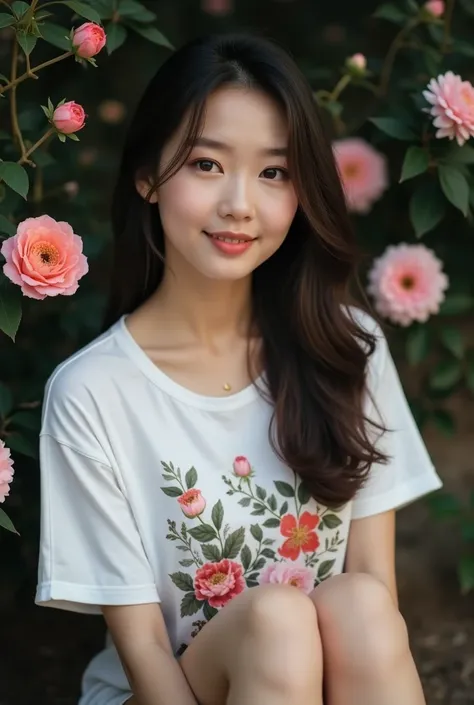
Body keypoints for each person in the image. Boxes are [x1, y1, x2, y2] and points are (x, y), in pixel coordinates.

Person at [35, 32, 442, 705]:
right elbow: (143, 651)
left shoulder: (347, 348)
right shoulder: (94, 393)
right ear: (147, 175)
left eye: (274, 172)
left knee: (363, 608)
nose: (240, 205)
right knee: (277, 621)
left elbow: (376, 602)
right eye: (206, 164)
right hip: (161, 693)